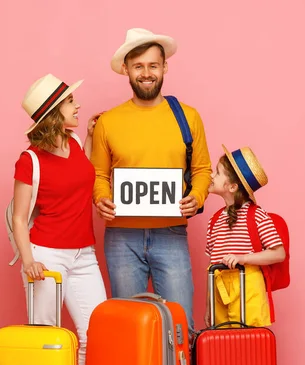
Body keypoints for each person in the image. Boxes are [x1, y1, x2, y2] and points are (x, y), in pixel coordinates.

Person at [88, 28, 212, 332]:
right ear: (126, 70)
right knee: (129, 330)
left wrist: (197, 196)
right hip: (121, 238)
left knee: (181, 326)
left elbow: (203, 169)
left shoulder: (188, 117)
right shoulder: (109, 121)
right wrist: (100, 198)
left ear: (164, 67)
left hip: (170, 233)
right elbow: (99, 175)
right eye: (139, 66)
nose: (146, 73)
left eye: (153, 65)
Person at [11, 73, 106, 365]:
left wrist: (89, 134)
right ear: (53, 113)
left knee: (95, 335)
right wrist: (29, 259)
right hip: (46, 256)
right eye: (70, 103)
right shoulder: (29, 161)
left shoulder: (75, 144)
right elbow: (20, 219)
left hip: (84, 254)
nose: (77, 106)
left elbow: (75, 180)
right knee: (48, 342)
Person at [205, 145, 286, 327]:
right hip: (219, 292)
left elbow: (278, 253)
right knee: (223, 347)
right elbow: (212, 267)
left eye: (217, 173)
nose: (211, 175)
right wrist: (208, 306)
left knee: (248, 347)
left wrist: (243, 258)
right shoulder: (214, 220)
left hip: (248, 291)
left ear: (233, 187)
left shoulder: (256, 215)